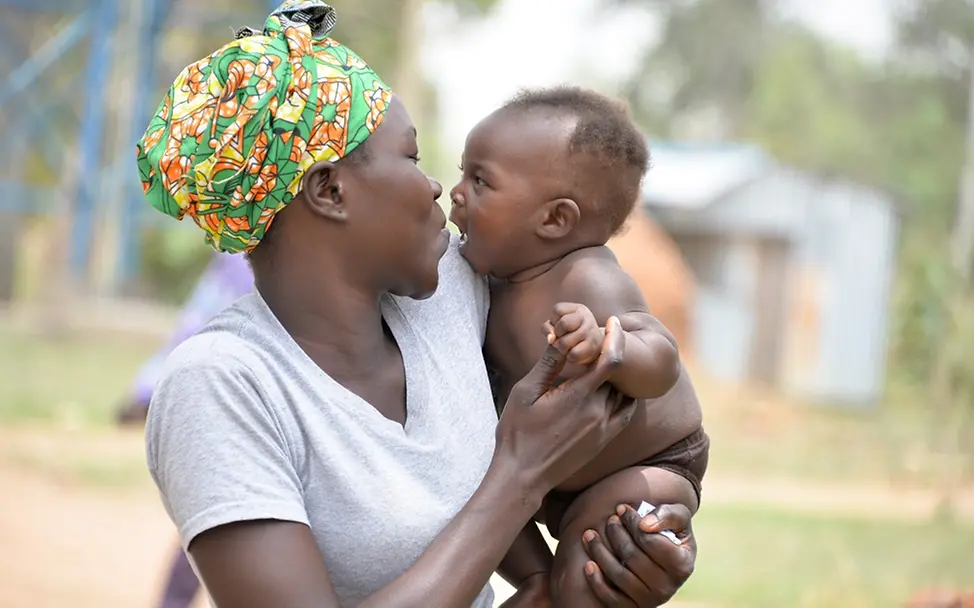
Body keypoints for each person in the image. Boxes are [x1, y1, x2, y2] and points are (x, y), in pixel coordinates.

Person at [136, 2, 698, 606]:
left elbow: (642, 403)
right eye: (410, 156)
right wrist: (520, 472)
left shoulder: (461, 288)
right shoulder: (224, 384)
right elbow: (520, 469)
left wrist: (629, 551)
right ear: (330, 190)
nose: (437, 186)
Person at [449, 87, 709, 606]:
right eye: (462, 173)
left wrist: (607, 346)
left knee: (584, 581)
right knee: (467, 502)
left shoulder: (587, 279)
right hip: (543, 477)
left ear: (554, 220)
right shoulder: (483, 282)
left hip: (646, 468)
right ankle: (535, 580)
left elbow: (660, 360)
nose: (455, 192)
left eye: (480, 181)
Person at [115, 251, 253, 426]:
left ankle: (151, 395)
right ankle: (148, 395)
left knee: (197, 333)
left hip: (240, 265)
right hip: (236, 263)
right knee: (194, 332)